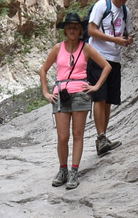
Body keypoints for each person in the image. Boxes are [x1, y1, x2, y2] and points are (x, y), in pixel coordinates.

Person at [39, 12, 110, 190]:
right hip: (61, 95)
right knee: (62, 137)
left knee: (78, 135)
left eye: (75, 27)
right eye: (69, 27)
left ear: (80, 30)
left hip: (80, 94)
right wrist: (46, 92)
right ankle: (62, 169)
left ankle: (73, 172)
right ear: (65, 30)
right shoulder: (58, 48)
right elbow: (43, 70)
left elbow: (106, 66)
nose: (72, 30)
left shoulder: (85, 48)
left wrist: (95, 87)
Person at [86, 0, 133, 155]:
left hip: (115, 59)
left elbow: (125, 32)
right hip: (98, 57)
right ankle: (100, 137)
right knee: (100, 97)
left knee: (108, 101)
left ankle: (103, 138)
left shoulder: (126, 11)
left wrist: (127, 40)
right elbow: (91, 30)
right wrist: (115, 40)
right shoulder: (102, 6)